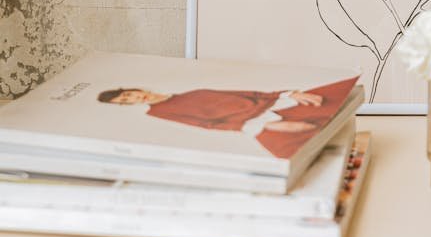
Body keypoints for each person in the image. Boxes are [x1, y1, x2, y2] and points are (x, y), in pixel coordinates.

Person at [97, 85, 324, 139]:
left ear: (136, 89)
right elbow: (207, 125)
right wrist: (260, 126)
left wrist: (287, 94)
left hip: (275, 105)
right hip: (261, 120)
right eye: (127, 101)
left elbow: (250, 93)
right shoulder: (158, 113)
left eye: (129, 94)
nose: (135, 98)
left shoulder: (194, 91)